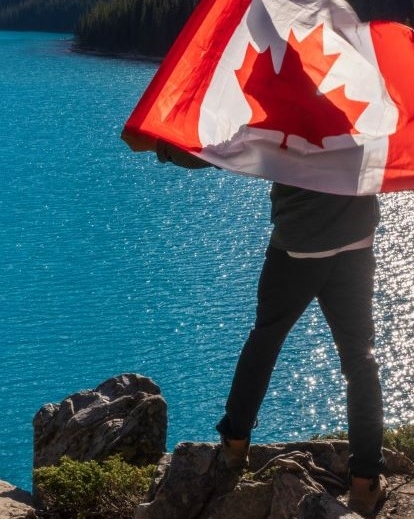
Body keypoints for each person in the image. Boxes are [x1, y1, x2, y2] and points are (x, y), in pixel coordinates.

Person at [156, 144, 387, 517]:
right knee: (360, 361)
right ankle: (364, 485)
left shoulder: (284, 103)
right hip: (356, 244)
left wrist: (163, 146)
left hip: (297, 247)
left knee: (265, 341)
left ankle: (234, 446)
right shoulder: (367, 100)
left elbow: (226, 149)